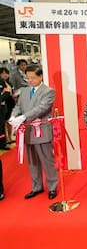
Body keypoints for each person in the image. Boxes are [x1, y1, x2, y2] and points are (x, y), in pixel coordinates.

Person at [8, 64, 58, 200]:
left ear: (41, 76)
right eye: (28, 77)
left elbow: (41, 108)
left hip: (41, 130)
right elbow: (18, 106)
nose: (30, 80)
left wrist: (23, 117)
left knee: (47, 161)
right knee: (32, 162)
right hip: (28, 132)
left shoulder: (48, 91)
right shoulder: (23, 91)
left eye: (33, 78)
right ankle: (36, 186)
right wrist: (13, 116)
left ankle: (52, 186)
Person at [0, 67, 16, 144]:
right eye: (3, 73)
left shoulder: (9, 83)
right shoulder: (1, 83)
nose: (5, 75)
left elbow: (11, 92)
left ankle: (9, 137)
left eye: (6, 73)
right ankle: (5, 139)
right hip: (4, 103)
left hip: (11, 103)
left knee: (9, 121)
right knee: (3, 123)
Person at [0, 75, 11, 150]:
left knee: (1, 126)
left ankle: (2, 144)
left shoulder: (1, 81)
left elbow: (7, 93)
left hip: (1, 108)